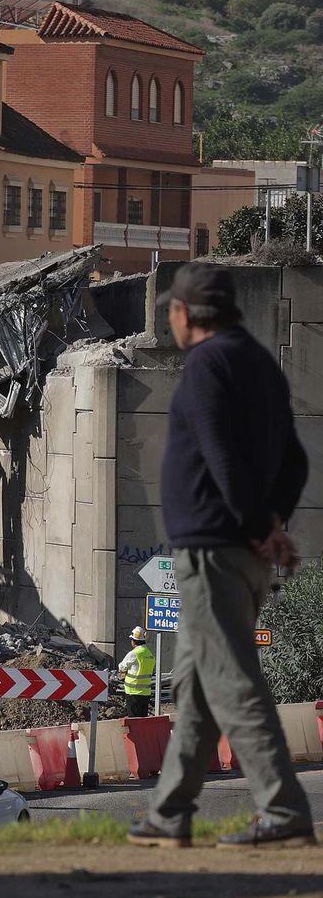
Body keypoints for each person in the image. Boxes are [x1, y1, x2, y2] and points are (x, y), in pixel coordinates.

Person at [127, 263, 316, 850]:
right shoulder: (258, 363)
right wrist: (274, 523)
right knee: (197, 684)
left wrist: (257, 525)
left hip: (213, 550)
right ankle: (171, 809)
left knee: (231, 678)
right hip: (243, 550)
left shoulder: (208, 365)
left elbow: (220, 457)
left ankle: (282, 809)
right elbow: (296, 461)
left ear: (184, 314)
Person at [118, 627, 156, 718]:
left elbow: (121, 667)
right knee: (142, 721)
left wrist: (124, 671)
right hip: (146, 693)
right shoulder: (150, 655)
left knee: (134, 720)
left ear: (133, 641)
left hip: (133, 692)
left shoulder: (134, 654)